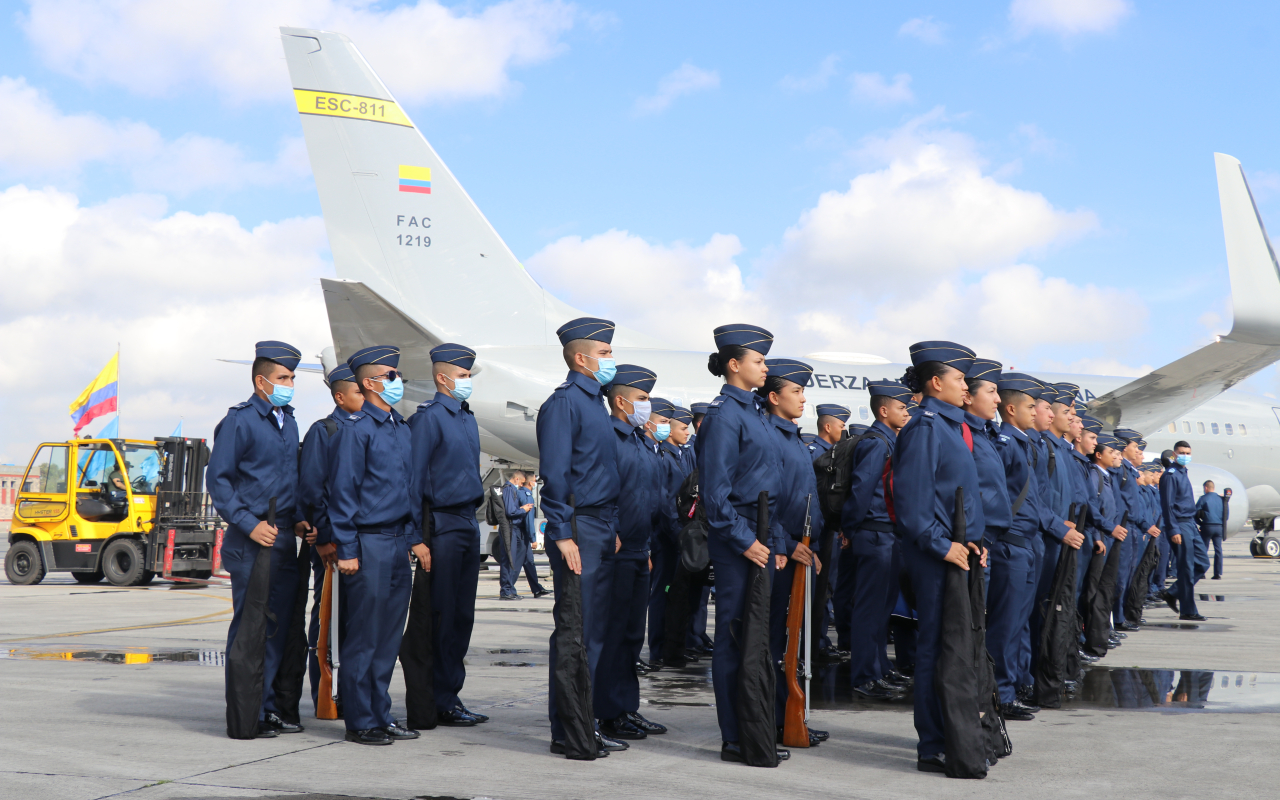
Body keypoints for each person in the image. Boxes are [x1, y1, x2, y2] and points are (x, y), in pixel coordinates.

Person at [695, 323, 791, 764]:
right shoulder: (723, 416)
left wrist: (777, 540)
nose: (765, 368)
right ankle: (735, 735)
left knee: (762, 637)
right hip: (741, 536)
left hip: (764, 532)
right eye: (759, 361)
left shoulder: (754, 413)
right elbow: (714, 495)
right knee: (735, 636)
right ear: (735, 366)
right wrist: (744, 540)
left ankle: (759, 726)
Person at [207, 340, 311, 739]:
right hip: (251, 539)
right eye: (283, 377)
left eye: (292, 378)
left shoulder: (289, 421)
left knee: (278, 630)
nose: (290, 384)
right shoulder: (241, 420)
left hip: (283, 538)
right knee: (251, 630)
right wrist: (248, 523)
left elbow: (292, 481)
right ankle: (244, 717)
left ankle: (265, 708)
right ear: (261, 381)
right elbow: (218, 480)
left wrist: (299, 520)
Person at [891, 341, 987, 774]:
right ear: (936, 382)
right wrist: (940, 544)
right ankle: (932, 742)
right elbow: (912, 500)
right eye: (959, 379)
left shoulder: (949, 427)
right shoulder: (925, 428)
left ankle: (950, 732)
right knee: (934, 648)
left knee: (953, 647)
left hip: (955, 552)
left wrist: (973, 540)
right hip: (935, 557)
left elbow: (955, 498)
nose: (966, 386)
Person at [328, 345, 431, 745]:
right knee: (364, 636)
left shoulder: (399, 429)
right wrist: (348, 549)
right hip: (367, 543)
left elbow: (407, 493)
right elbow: (343, 494)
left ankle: (381, 713)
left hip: (395, 543)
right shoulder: (356, 431)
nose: (397, 382)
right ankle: (361, 719)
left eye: (397, 375)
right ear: (368, 383)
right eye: (389, 376)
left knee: (389, 637)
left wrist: (413, 540)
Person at [536, 317, 625, 759]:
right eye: (605, 353)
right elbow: (554, 475)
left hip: (601, 526)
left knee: (594, 635)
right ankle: (568, 730)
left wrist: (613, 528)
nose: (611, 360)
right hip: (579, 528)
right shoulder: (565, 404)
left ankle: (583, 721)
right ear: (580, 358)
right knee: (576, 631)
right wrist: (562, 532)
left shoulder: (598, 404)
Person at [408, 342, 491, 726]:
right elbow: (412, 480)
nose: (467, 381)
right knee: (439, 617)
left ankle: (451, 695)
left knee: (462, 616)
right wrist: (415, 536)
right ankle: (436, 699)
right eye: (462, 375)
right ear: (442, 378)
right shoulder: (429, 418)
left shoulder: (466, 418)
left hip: (466, 523)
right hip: (440, 523)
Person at [990, 373, 1072, 720]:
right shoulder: (1008, 443)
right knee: (1006, 625)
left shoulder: (1024, 443)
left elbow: (1036, 497)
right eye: (1032, 405)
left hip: (1028, 542)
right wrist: (1055, 526)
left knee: (1020, 621)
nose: (1047, 413)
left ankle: (1018, 681)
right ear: (1012, 409)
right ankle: (1001, 693)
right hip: (1011, 544)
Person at [759, 358, 828, 746]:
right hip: (781, 552)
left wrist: (810, 546)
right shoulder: (770, 437)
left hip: (800, 550)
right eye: (796, 391)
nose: (803, 399)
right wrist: (786, 546)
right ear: (774, 397)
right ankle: (768, 719)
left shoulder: (792, 438)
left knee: (792, 644)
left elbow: (805, 501)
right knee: (771, 642)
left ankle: (788, 716)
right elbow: (765, 500)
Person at [598, 365, 668, 741]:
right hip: (617, 549)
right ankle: (607, 710)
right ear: (621, 401)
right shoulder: (610, 437)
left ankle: (626, 707)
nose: (647, 405)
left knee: (630, 635)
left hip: (641, 548)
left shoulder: (642, 441)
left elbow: (649, 497)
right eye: (642, 399)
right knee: (612, 634)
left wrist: (648, 545)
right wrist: (613, 532)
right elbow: (602, 489)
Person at [835, 380, 913, 699]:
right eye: (901, 407)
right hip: (873, 533)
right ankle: (865, 674)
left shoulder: (889, 441)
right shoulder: (876, 443)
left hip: (887, 534)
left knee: (882, 609)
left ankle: (879, 668)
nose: (906, 413)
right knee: (869, 608)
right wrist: (850, 529)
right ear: (884, 410)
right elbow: (861, 490)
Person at [299, 363, 363, 713]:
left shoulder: (368, 428)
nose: (366, 398)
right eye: (359, 392)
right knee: (327, 618)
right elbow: (312, 488)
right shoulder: (324, 431)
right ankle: (325, 694)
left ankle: (352, 693)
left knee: (356, 621)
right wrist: (323, 537)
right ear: (340, 396)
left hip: (360, 541)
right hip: (333, 543)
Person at [1161, 442, 1209, 620]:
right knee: (1186, 568)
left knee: (1202, 563)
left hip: (1190, 523)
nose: (1185, 455)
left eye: (1188, 453)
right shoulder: (1170, 475)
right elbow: (1167, 506)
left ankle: (1173, 592)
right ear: (1174, 454)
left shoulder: (1183, 472)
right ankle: (1188, 611)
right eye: (1181, 452)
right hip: (1180, 524)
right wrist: (1174, 530)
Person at [517, 473, 550, 597]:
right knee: (517, 563)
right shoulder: (527, 495)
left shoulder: (519, 492)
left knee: (529, 562)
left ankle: (536, 589)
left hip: (520, 533)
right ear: (531, 483)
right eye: (535, 481)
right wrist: (533, 539)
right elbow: (529, 520)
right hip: (523, 534)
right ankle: (507, 589)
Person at [499, 472, 530, 599]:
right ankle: (506, 590)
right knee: (508, 559)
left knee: (514, 559)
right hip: (509, 529)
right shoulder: (508, 489)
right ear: (516, 479)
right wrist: (523, 509)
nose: (522, 485)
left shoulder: (512, 490)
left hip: (513, 529)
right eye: (522, 483)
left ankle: (510, 588)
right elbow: (510, 511)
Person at [1196, 480, 1226, 580]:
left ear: (1206, 488)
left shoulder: (1203, 498)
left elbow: (1195, 513)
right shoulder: (1221, 499)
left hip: (1207, 526)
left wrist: (1200, 523)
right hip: (1219, 527)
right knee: (1218, 550)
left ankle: (1202, 572)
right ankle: (1217, 573)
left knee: (1203, 549)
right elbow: (1226, 515)